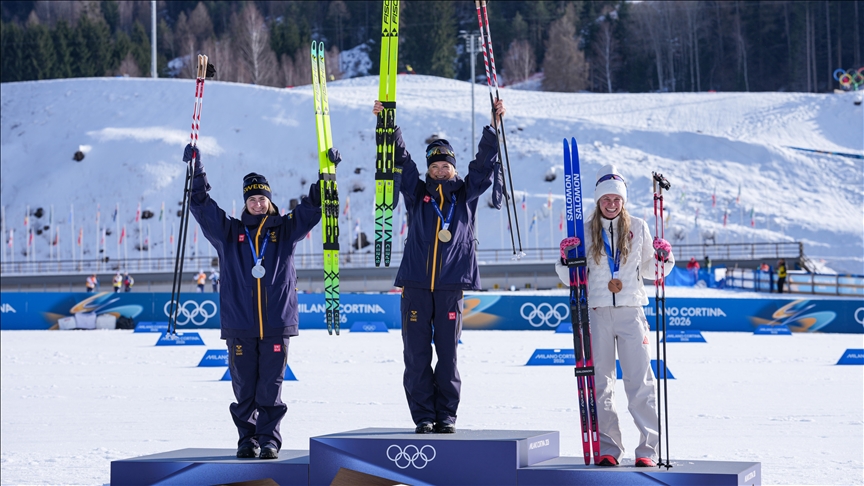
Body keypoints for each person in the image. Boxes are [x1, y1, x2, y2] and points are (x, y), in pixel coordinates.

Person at [183, 142, 336, 460]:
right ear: (245, 203)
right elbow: (201, 206)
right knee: (243, 387)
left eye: (262, 198)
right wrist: (196, 171)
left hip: (277, 322)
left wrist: (327, 176)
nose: (257, 203)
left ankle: (268, 440)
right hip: (240, 324)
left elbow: (312, 208)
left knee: (271, 385)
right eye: (252, 198)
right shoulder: (229, 233)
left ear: (270, 201)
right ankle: (247, 439)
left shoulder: (285, 231)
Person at [373, 98, 506, 435]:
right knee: (416, 356)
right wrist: (387, 125)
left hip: (450, 287)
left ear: (453, 168)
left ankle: (446, 414)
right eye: (435, 166)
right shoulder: (417, 194)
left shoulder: (466, 194)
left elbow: (483, 165)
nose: (440, 170)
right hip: (416, 286)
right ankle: (423, 416)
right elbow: (400, 161)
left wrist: (493, 126)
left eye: (445, 165)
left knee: (447, 357)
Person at [554, 165, 675, 468]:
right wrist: (565, 259)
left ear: (623, 201)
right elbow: (571, 278)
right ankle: (609, 447)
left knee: (641, 382)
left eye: (616, 199)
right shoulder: (582, 229)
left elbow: (652, 271)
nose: (611, 204)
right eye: (606, 199)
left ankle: (647, 450)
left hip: (631, 311)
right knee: (600, 383)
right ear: (598, 201)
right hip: (597, 313)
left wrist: (664, 256)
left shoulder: (639, 227)